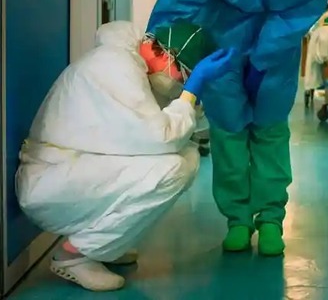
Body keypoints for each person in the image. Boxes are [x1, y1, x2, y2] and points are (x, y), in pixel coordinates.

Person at [146, 0, 328, 256]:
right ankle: (238, 220)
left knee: (270, 126)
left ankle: (271, 218)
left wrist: (261, 62)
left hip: (276, 45)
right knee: (228, 127)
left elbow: (292, 21)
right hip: (219, 31)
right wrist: (163, 43)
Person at [15, 20, 235, 292]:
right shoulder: (115, 67)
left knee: (185, 155)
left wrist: (193, 97)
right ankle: (74, 255)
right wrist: (190, 95)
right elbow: (161, 137)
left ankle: (105, 244)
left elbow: (166, 127)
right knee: (172, 169)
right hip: (48, 181)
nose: (181, 84)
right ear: (167, 54)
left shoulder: (132, 65)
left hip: (69, 168)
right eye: (184, 75)